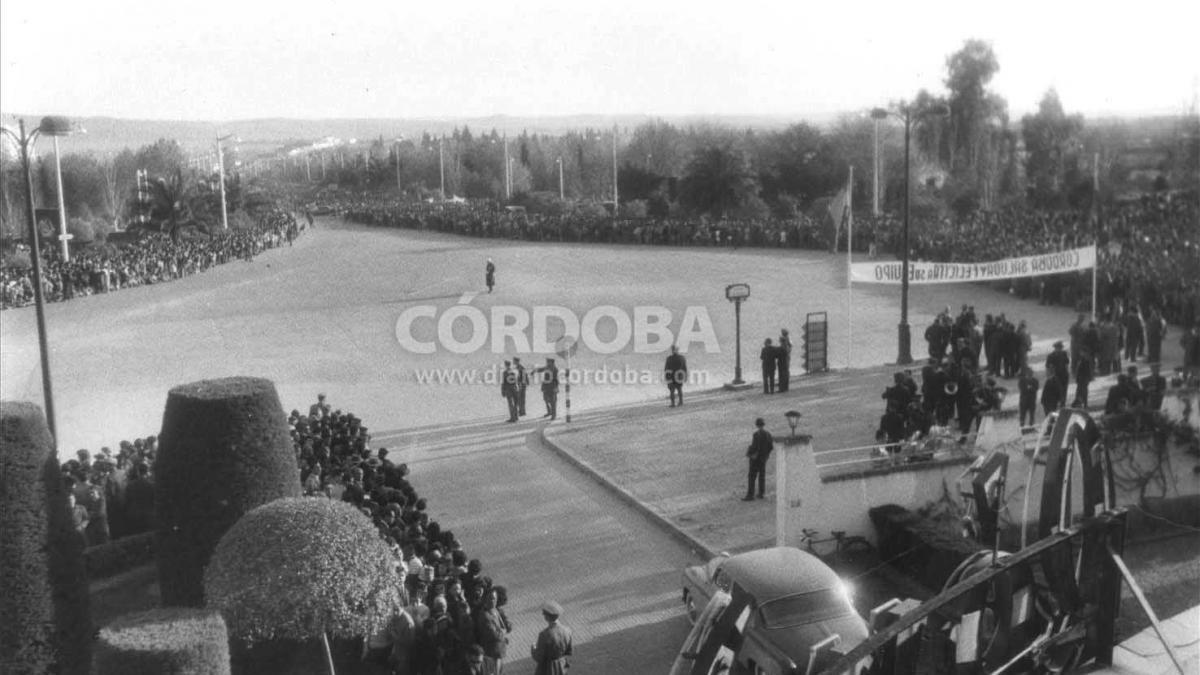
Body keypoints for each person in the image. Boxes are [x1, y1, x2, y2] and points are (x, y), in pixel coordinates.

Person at [530, 601, 572, 675]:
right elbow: (569, 650)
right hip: (562, 666)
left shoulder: (544, 634)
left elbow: (539, 657)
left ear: (546, 617)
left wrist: (533, 649)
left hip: (547, 668)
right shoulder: (567, 630)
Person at [743, 417, 774, 501]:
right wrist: (766, 455)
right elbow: (771, 447)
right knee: (762, 476)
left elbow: (754, 447)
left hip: (755, 459)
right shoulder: (768, 434)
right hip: (763, 459)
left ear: (757, 425)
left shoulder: (756, 435)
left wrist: (749, 454)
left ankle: (750, 495)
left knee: (752, 476)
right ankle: (761, 493)